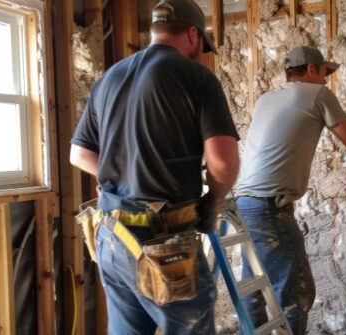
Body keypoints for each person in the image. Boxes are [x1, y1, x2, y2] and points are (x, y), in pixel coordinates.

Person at [69, 0, 240, 333]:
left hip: (111, 236)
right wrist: (213, 204)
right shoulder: (197, 77)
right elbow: (223, 161)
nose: (199, 53)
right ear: (193, 33)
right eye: (201, 46)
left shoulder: (110, 78)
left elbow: (79, 154)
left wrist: (128, 172)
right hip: (165, 239)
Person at [233, 45, 346, 334]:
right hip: (269, 209)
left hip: (243, 204)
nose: (326, 80)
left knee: (253, 285)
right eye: (324, 73)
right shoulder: (317, 94)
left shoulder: (266, 99)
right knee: (295, 292)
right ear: (310, 69)